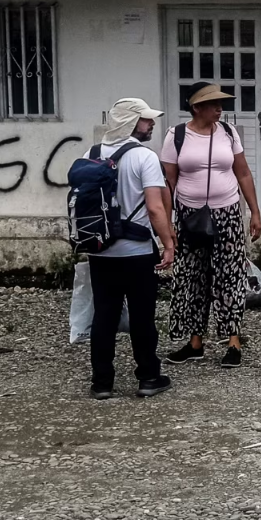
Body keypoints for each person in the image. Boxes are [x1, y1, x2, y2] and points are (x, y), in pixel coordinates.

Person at [160, 82, 261, 369]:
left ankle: (233, 341)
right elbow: (168, 182)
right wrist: (167, 224)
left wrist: (254, 212)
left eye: (221, 103)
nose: (220, 108)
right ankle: (194, 343)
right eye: (213, 103)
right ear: (196, 107)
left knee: (230, 276)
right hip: (189, 216)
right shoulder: (176, 136)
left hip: (227, 214)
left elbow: (242, 173)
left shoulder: (229, 133)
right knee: (193, 277)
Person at [85, 98, 176, 399]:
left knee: (104, 316)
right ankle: (148, 377)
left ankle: (102, 383)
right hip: (136, 251)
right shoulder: (144, 157)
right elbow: (155, 208)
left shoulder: (91, 154)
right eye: (146, 120)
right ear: (130, 123)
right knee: (141, 316)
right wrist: (168, 243)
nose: (151, 124)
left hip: (99, 250)